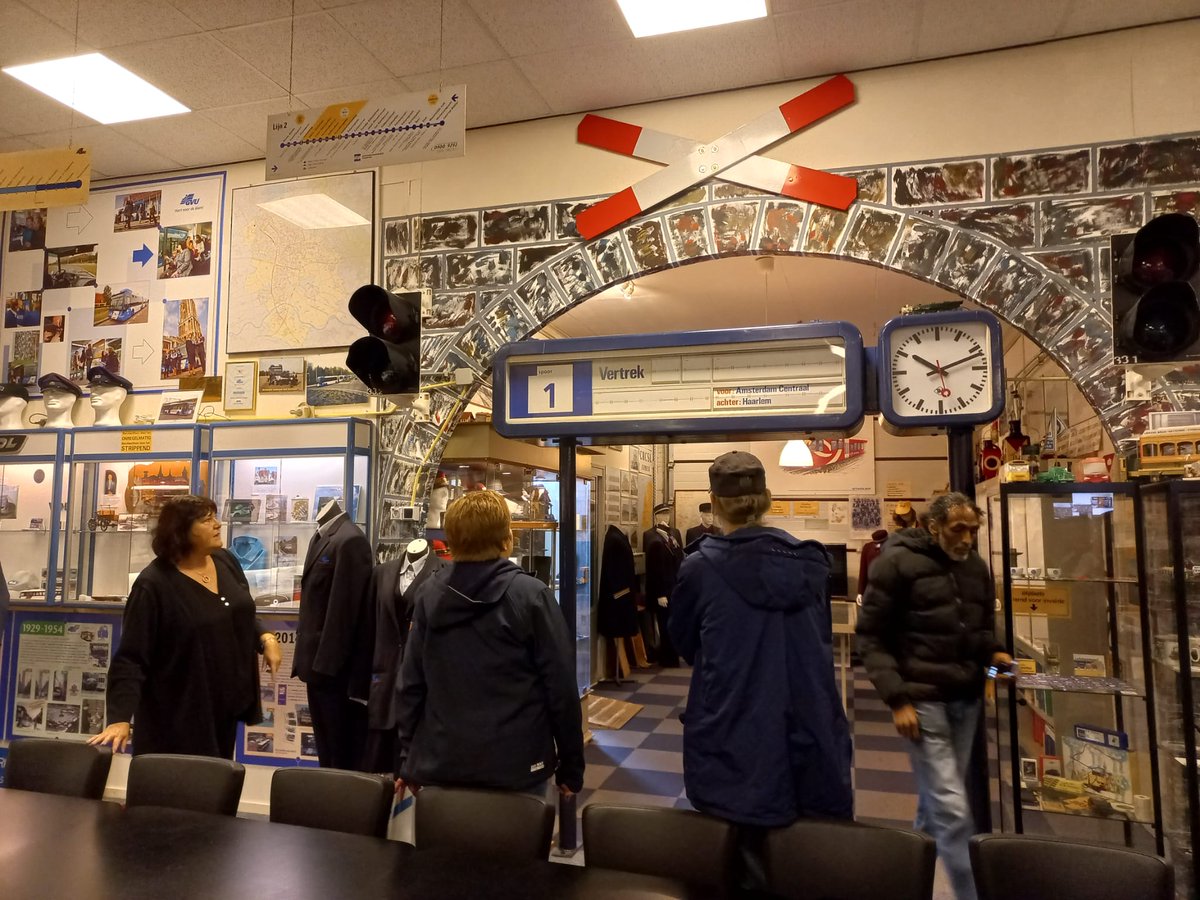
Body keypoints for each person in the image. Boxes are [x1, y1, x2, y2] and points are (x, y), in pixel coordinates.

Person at [670, 451, 853, 888]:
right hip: (808, 727)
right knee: (802, 864)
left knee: (734, 861)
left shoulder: (700, 567)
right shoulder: (811, 563)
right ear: (767, 498)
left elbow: (683, 644)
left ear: (713, 503)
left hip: (731, 730)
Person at [856, 492, 1011, 900]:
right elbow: (871, 637)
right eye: (957, 529)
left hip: (966, 698)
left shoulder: (975, 567)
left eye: (973, 530)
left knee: (936, 798)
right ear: (933, 527)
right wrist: (897, 700)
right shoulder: (895, 563)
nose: (966, 539)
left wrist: (993, 654)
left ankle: (909, 877)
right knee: (953, 808)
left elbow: (976, 631)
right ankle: (970, 893)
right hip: (922, 701)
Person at [394, 490, 584, 802]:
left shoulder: (429, 595)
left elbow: (411, 684)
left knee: (443, 851)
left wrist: (407, 758)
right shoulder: (531, 596)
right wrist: (571, 765)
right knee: (518, 849)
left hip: (443, 761)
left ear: (451, 539)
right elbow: (561, 687)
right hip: (518, 766)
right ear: (507, 539)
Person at [90, 496, 282, 757]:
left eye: (215, 517)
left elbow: (238, 611)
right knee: (181, 793)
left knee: (216, 788)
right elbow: (132, 657)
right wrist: (120, 717)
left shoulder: (224, 561)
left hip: (222, 709)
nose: (217, 525)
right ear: (181, 531)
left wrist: (266, 637)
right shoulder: (153, 585)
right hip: (176, 717)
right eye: (206, 520)